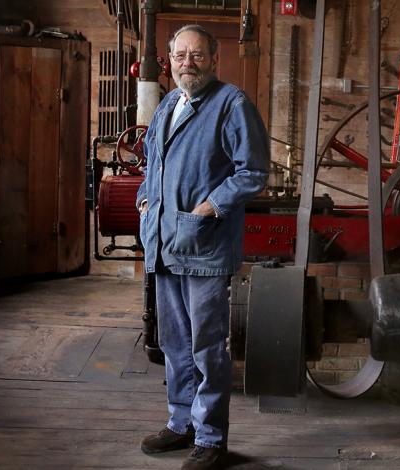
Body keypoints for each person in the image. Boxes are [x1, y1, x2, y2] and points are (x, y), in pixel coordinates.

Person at [136, 24, 269, 470]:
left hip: (205, 246)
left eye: (196, 55)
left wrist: (211, 205)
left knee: (206, 347)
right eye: (179, 56)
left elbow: (253, 170)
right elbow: (153, 162)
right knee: (174, 343)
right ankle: (181, 423)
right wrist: (143, 199)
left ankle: (211, 438)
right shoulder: (169, 104)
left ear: (214, 59)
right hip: (164, 243)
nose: (187, 63)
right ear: (169, 61)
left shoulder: (231, 103)